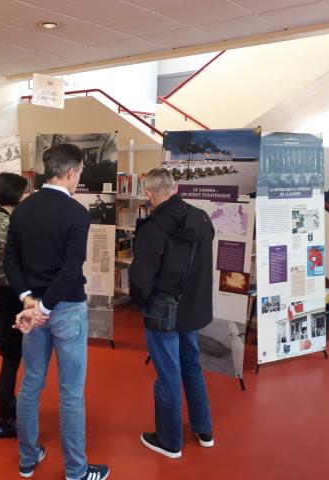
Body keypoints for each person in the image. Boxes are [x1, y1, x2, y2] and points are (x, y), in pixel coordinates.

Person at [5, 144, 109, 480]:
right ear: (69, 172)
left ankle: (27, 459)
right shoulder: (77, 213)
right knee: (71, 391)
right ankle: (76, 472)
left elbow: (11, 261)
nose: (79, 179)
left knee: (31, 384)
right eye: (79, 172)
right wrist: (44, 308)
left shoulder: (22, 210)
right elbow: (69, 270)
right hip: (64, 310)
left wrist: (28, 302)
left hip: (34, 309)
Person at [129, 168, 215, 459]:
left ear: (150, 193)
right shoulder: (202, 219)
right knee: (191, 366)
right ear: (175, 187)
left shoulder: (152, 228)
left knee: (167, 375)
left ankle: (169, 441)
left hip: (162, 311)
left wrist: (140, 302)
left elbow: (140, 279)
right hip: (193, 309)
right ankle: (204, 430)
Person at [0, 172, 30, 439]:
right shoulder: (6, 224)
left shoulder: (0, 218)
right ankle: (4, 419)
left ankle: (8, 407)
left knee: (11, 359)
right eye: (24, 191)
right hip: (10, 297)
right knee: (11, 360)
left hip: (5, 295)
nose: (28, 195)